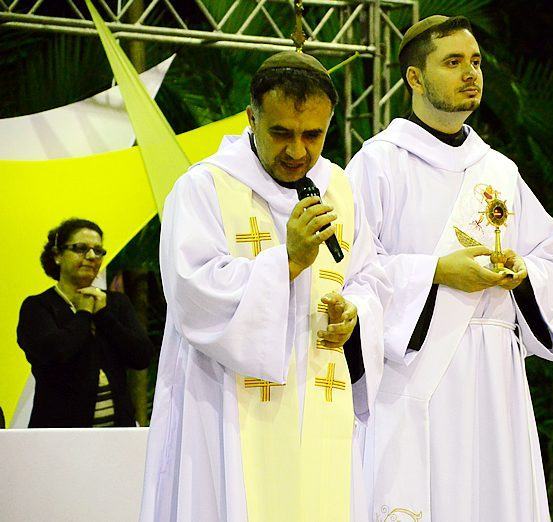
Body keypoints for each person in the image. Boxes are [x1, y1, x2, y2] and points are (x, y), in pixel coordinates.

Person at [140, 51, 390, 522]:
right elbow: (193, 290)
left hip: (320, 400)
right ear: (251, 118)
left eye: (313, 135)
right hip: (227, 406)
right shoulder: (204, 188)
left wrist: (354, 312)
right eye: (281, 133)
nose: (297, 151)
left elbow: (369, 276)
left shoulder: (338, 188)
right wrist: (288, 262)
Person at [347, 16, 553, 521]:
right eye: (453, 62)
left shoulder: (499, 170)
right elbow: (356, 271)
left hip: (494, 375)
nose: (471, 73)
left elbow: (546, 255)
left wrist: (522, 272)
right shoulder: (379, 163)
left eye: (476, 62)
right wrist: (437, 272)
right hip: (417, 368)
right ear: (414, 79)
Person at [16, 218, 153, 428]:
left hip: (117, 436)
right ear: (57, 255)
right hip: (60, 437)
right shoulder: (37, 307)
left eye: (98, 251)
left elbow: (141, 355)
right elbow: (56, 353)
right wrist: (83, 313)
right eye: (80, 248)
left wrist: (104, 315)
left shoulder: (115, 303)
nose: (91, 256)